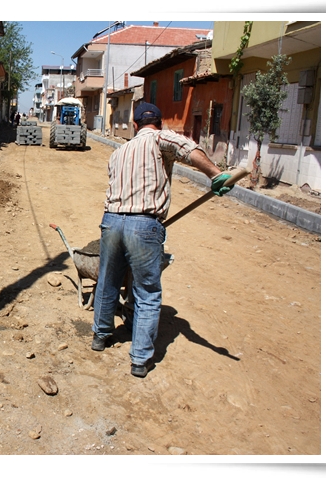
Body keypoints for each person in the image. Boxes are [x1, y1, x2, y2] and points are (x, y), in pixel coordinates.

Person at [91, 102, 234, 378]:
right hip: (144, 224)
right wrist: (216, 174)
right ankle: (139, 360)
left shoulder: (118, 152)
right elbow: (190, 150)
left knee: (107, 282)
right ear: (159, 123)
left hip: (111, 221)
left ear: (134, 125)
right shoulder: (160, 138)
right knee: (147, 292)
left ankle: (100, 336)